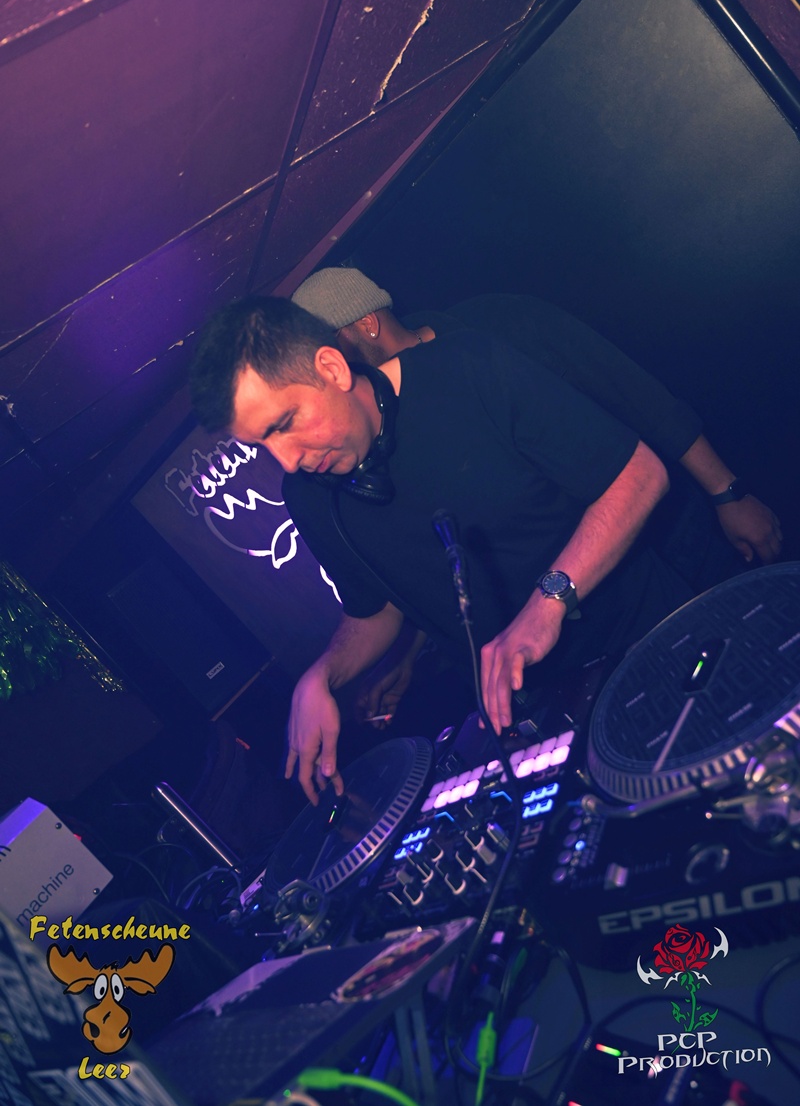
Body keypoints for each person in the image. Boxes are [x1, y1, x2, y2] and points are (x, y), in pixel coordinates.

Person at [190, 295, 689, 805]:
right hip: (534, 720)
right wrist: (322, 675)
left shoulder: (468, 368)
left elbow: (639, 475)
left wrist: (548, 603)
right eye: (262, 445)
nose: (287, 461)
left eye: (284, 424)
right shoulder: (309, 498)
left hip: (653, 645)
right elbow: (376, 611)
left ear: (332, 368)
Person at [291, 268, 782, 567]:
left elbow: (633, 392)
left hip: (672, 535)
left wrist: (727, 492)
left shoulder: (500, 324)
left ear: (366, 323)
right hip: (588, 608)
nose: (327, 374)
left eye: (327, 352)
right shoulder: (387, 428)